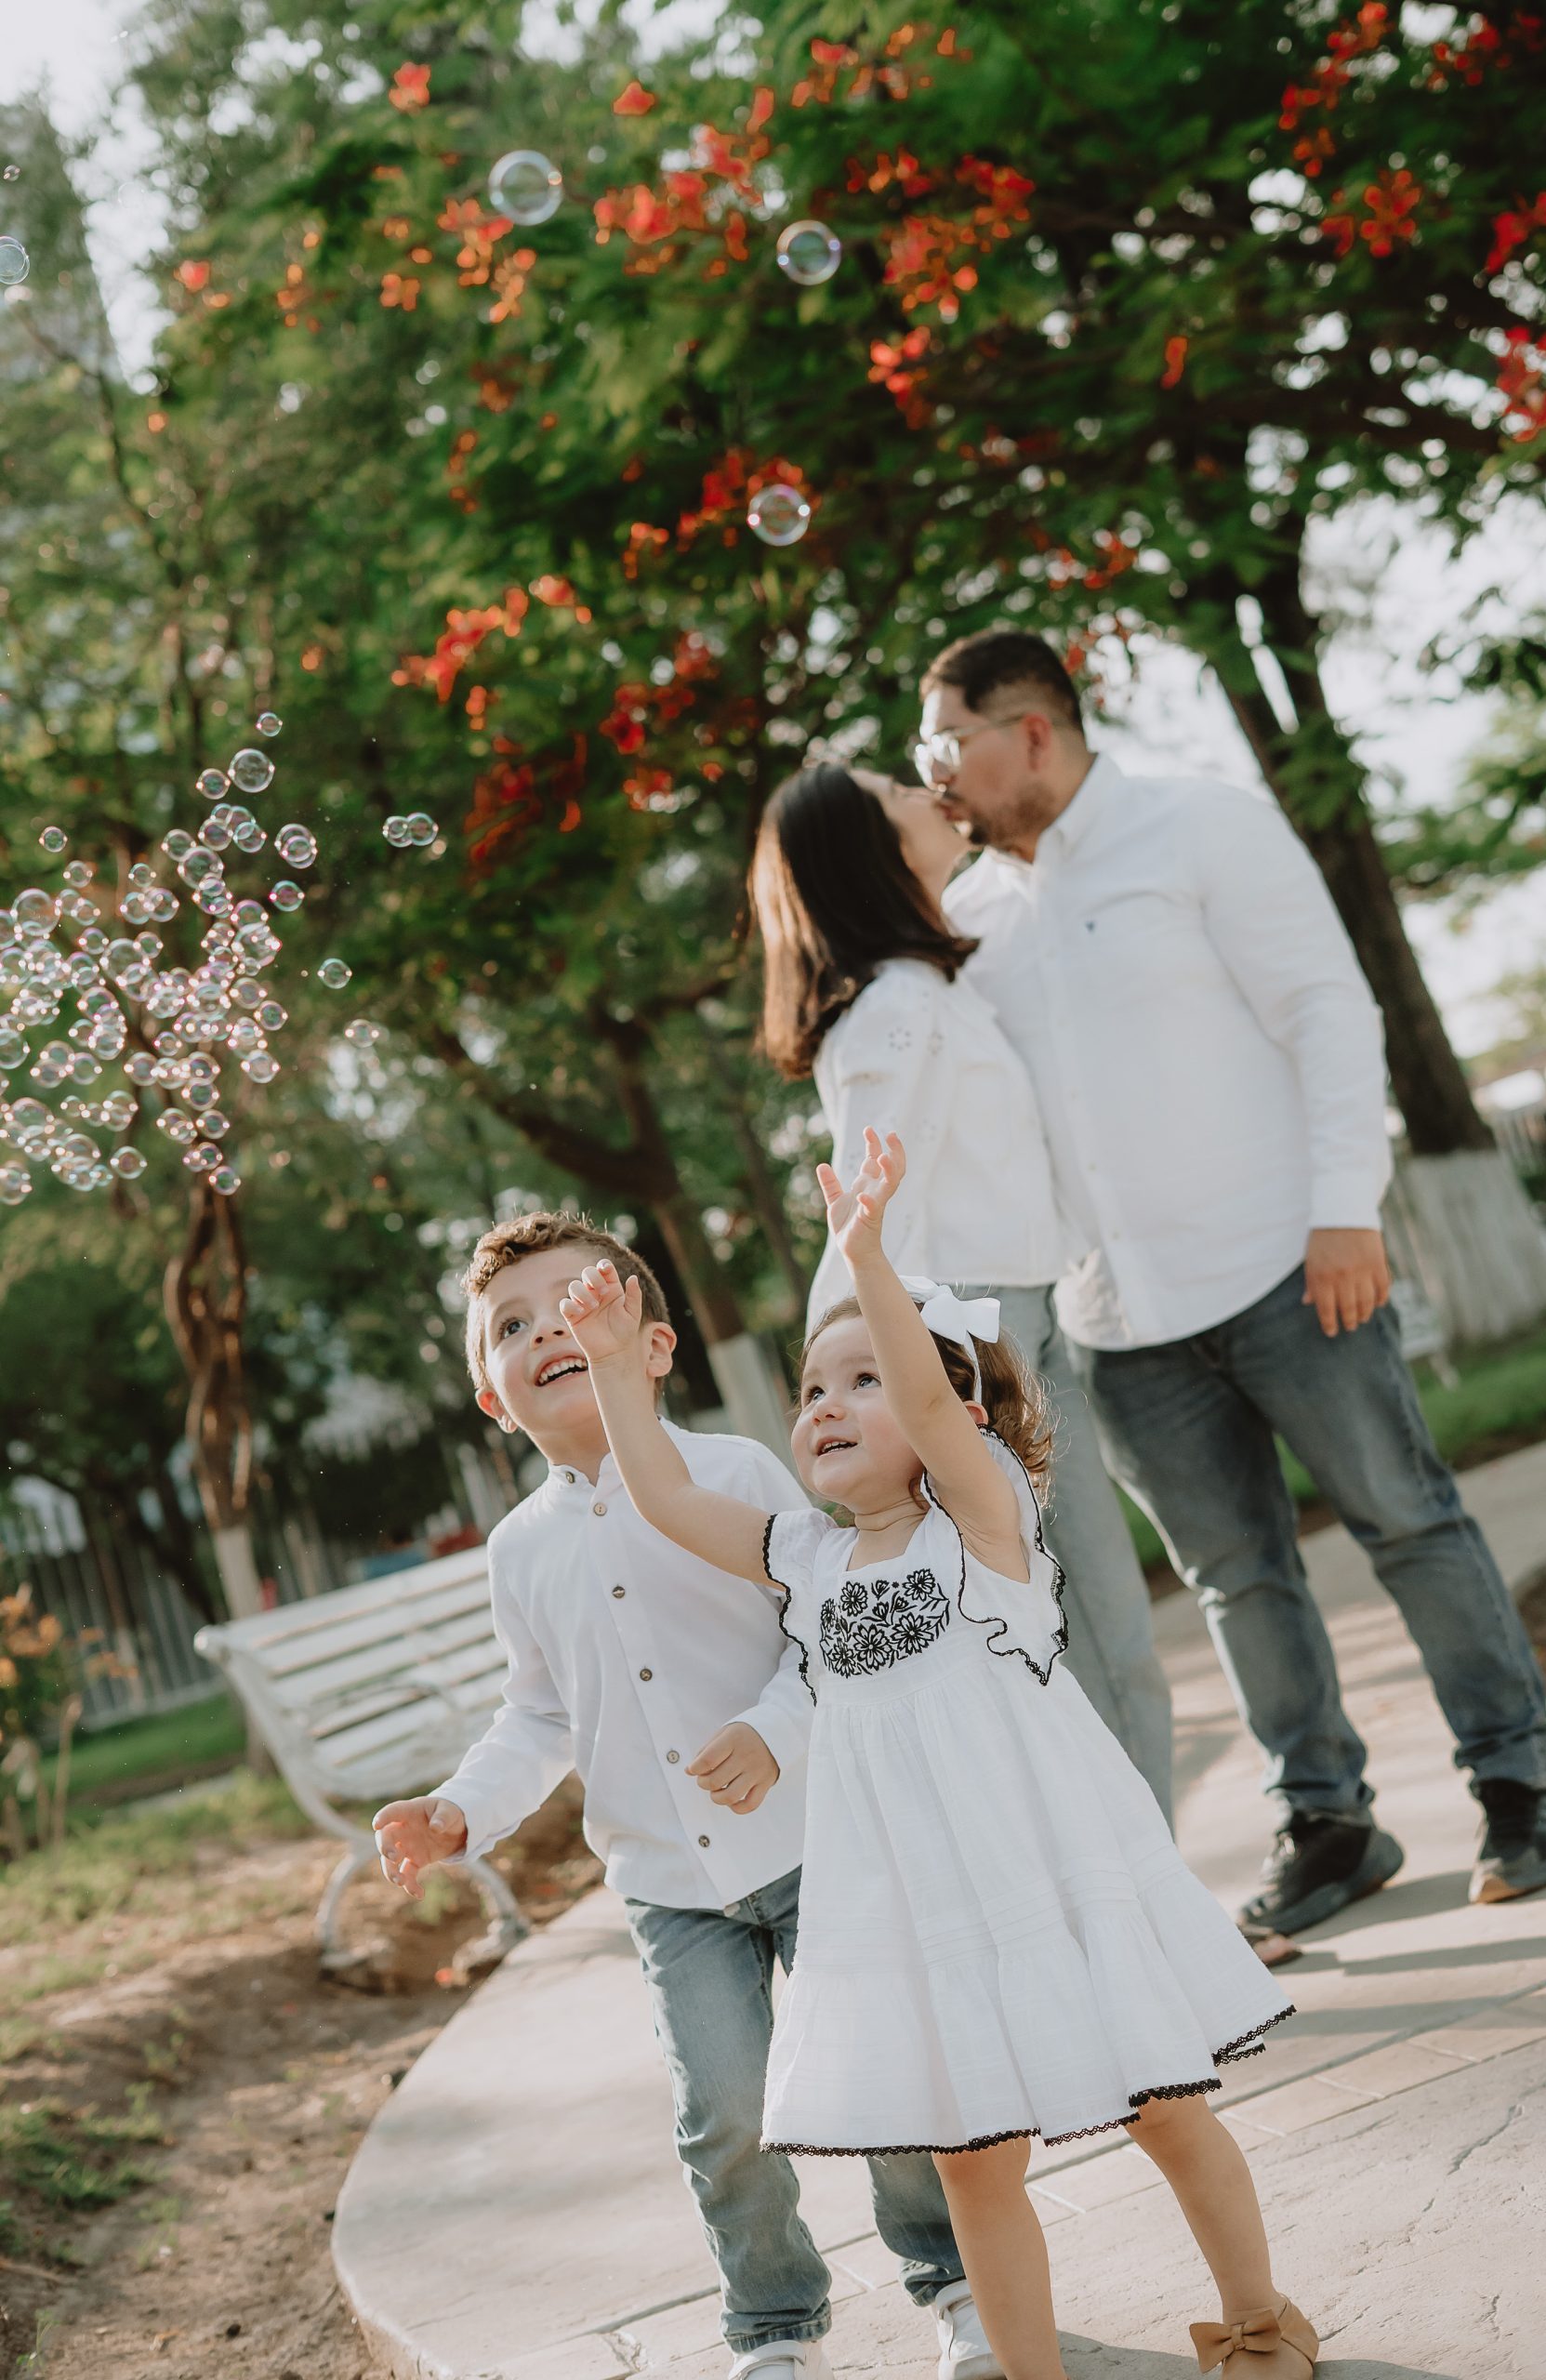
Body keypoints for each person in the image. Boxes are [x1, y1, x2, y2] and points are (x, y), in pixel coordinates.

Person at [559, 1131, 1315, 2380]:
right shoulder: (806, 1560)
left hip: (1050, 1878)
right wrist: (612, 1375)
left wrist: (865, 1256)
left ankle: (1257, 2319)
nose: (825, 1404)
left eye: (862, 1378)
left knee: (1164, 2110)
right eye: (812, 1388)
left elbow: (922, 1405)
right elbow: (669, 1503)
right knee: (969, 2165)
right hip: (922, 1914)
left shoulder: (984, 1524)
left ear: (960, 1414)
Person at [916, 626, 1546, 1931]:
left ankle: (1519, 1783)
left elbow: (1326, 1009)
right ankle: (1327, 1820)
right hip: (1116, 1322)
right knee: (1233, 1576)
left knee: (1406, 1518)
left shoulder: (1199, 826)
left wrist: (1344, 1208)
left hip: (1287, 1266)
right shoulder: (966, 920)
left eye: (946, 740)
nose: (934, 769)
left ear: (1031, 730)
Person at [369, 1210, 995, 2380]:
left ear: (653, 1344)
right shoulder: (519, 1551)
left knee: (883, 2070)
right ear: (493, 1398)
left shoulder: (737, 1473)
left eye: (578, 1302)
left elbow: (824, 1631)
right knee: (725, 2115)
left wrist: (774, 1731)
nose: (547, 1329)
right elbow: (539, 1714)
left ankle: (955, 2278)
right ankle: (775, 2325)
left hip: (817, 1843)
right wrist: (461, 1809)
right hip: (671, 1886)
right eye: (511, 1326)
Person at [750, 757, 1175, 1823]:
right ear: (874, 850)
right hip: (973, 1332)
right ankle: (1143, 1892)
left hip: (1006, 1316)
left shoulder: (924, 986)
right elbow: (865, 1216)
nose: (929, 795)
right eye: (900, 794)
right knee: (1084, 1625)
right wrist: (859, 1380)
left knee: (1077, 1622)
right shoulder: (899, 1005)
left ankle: (1132, 1880)